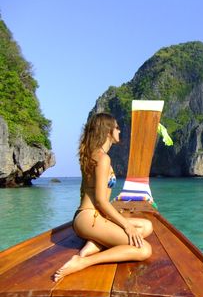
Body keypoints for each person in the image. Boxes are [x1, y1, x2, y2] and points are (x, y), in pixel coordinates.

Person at [54, 113, 153, 282]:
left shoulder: (93, 154)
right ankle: (83, 261)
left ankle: (94, 244)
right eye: (117, 127)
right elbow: (100, 200)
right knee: (144, 249)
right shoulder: (102, 158)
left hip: (90, 216)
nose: (119, 130)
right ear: (108, 131)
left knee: (147, 226)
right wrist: (126, 226)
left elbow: (94, 193)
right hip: (89, 218)